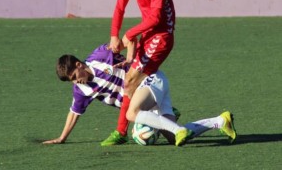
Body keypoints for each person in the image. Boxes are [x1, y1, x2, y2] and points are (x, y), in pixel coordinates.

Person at [42, 44, 236, 145]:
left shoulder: (100, 55)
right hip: (148, 99)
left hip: (151, 80)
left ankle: (173, 127)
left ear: (79, 65)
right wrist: (62, 137)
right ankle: (220, 121)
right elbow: (74, 113)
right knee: (174, 139)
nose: (76, 81)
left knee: (131, 114)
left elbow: (128, 40)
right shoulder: (81, 90)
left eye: (75, 76)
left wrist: (128, 56)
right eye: (72, 81)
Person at [103, 0, 176, 146]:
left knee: (130, 81)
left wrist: (129, 34)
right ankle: (165, 112)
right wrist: (114, 35)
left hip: (161, 36)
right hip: (148, 34)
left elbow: (156, 18)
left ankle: (121, 131)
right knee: (130, 82)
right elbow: (120, 6)